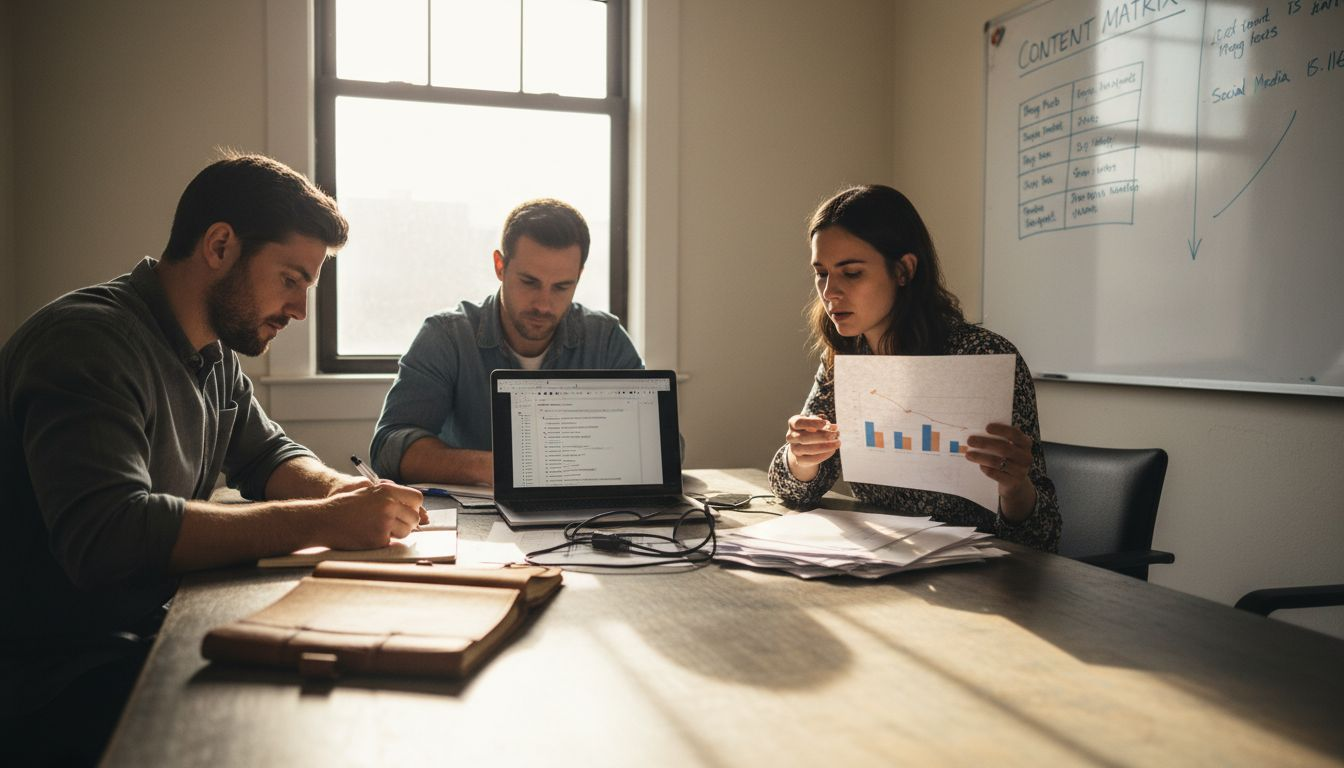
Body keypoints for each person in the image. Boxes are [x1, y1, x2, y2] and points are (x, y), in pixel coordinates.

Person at [0, 153, 426, 764]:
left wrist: (340, 493)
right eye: (290, 279)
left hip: (144, 633)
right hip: (54, 679)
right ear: (221, 246)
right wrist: (322, 522)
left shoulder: (214, 355)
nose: (301, 311)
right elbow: (106, 534)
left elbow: (268, 454)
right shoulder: (85, 344)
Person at [768, 185, 1060, 551]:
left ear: (904, 270)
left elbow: (1042, 536)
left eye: (852, 273)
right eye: (821, 273)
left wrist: (1016, 487)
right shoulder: (847, 356)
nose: (829, 292)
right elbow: (792, 489)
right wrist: (802, 457)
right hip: (883, 559)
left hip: (977, 571)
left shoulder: (981, 357)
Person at [372, 198, 644, 486]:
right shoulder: (448, 337)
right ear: (500, 266)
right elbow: (388, 447)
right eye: (529, 282)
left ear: (579, 277)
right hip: (477, 519)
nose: (543, 304)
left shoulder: (605, 339)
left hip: (589, 516)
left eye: (562, 287)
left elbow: (665, 446)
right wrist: (498, 467)